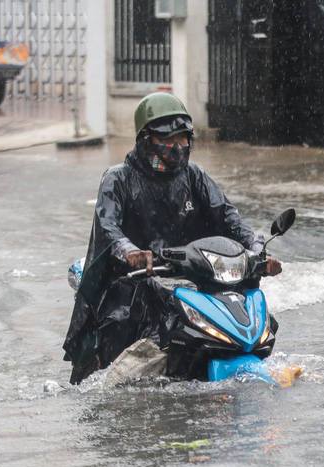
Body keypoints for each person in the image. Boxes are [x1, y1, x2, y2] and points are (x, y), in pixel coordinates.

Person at [62, 92, 282, 384]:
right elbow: (108, 227)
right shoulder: (118, 178)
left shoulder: (194, 177)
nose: (176, 147)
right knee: (121, 327)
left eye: (182, 139)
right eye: (166, 140)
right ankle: (111, 387)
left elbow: (229, 218)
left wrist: (257, 250)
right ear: (145, 139)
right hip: (135, 280)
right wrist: (130, 251)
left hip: (193, 273)